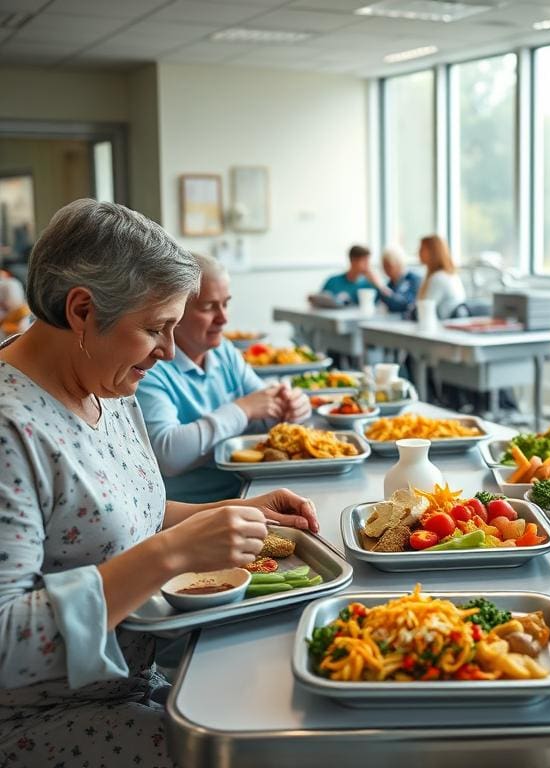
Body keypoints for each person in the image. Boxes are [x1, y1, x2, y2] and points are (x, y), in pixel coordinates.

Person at [0, 200, 318, 768]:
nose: (169, 352)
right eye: (155, 328)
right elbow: (7, 642)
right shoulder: (11, 429)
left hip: (129, 680)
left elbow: (116, 513)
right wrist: (172, 553)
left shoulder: (103, 380)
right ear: (81, 310)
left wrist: (225, 514)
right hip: (43, 717)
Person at [136, 253, 311, 504]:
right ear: (174, 312)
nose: (224, 318)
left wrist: (292, 408)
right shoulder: (151, 368)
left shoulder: (223, 351)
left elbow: (263, 413)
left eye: (225, 304)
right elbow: (169, 455)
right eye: (209, 307)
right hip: (192, 512)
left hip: (247, 493)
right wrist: (242, 410)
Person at [307, 244, 374, 307]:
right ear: (353, 260)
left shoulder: (368, 285)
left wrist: (376, 282)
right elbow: (319, 301)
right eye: (364, 261)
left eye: (368, 261)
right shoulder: (333, 281)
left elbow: (383, 302)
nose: (367, 265)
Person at [417, 235, 466, 320]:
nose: (418, 252)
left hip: (445, 326)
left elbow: (424, 312)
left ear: (433, 252)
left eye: (422, 249)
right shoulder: (449, 274)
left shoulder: (439, 278)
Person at [364, 245, 421, 315]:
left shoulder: (413, 279)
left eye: (388, 265)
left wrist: (381, 286)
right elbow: (375, 303)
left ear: (398, 263)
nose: (385, 269)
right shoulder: (390, 284)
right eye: (384, 266)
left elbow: (404, 305)